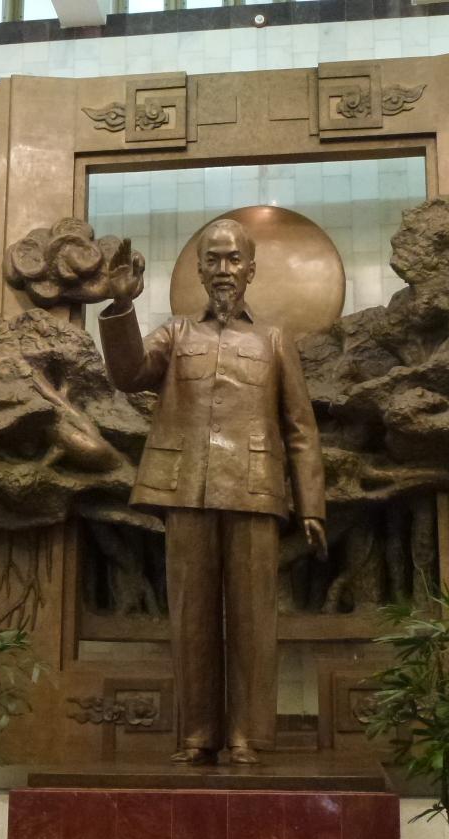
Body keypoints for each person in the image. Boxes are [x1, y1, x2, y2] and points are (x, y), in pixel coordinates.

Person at [97, 218, 327, 765]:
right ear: (198, 270)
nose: (223, 270)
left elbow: (300, 429)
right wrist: (121, 306)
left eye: (233, 259)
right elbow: (129, 374)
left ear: (251, 269)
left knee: (254, 620)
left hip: (254, 491)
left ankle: (247, 735)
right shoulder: (176, 335)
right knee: (191, 618)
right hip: (186, 491)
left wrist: (311, 504)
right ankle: (197, 734)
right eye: (213, 259)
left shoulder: (273, 340)